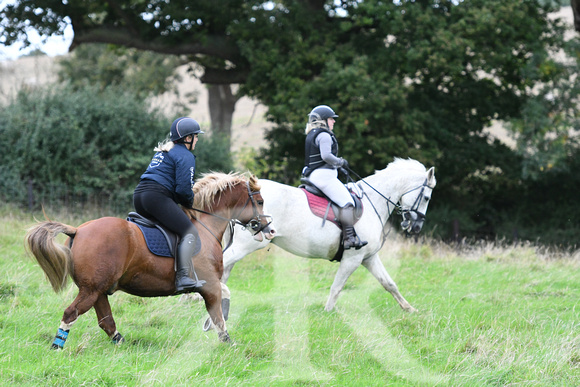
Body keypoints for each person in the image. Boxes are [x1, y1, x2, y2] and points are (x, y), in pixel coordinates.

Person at [133, 117, 206, 294]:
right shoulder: (185, 155)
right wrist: (189, 203)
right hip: (157, 197)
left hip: (139, 196)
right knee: (189, 232)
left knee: (169, 229)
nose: (197, 139)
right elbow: (183, 189)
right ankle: (183, 278)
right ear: (187, 138)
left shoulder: (165, 150)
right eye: (196, 136)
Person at [302, 105, 368, 250]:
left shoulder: (312, 133)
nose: (334, 121)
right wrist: (340, 162)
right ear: (323, 121)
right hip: (323, 177)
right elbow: (326, 156)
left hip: (315, 174)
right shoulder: (324, 135)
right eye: (331, 119)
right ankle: (349, 238)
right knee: (347, 202)